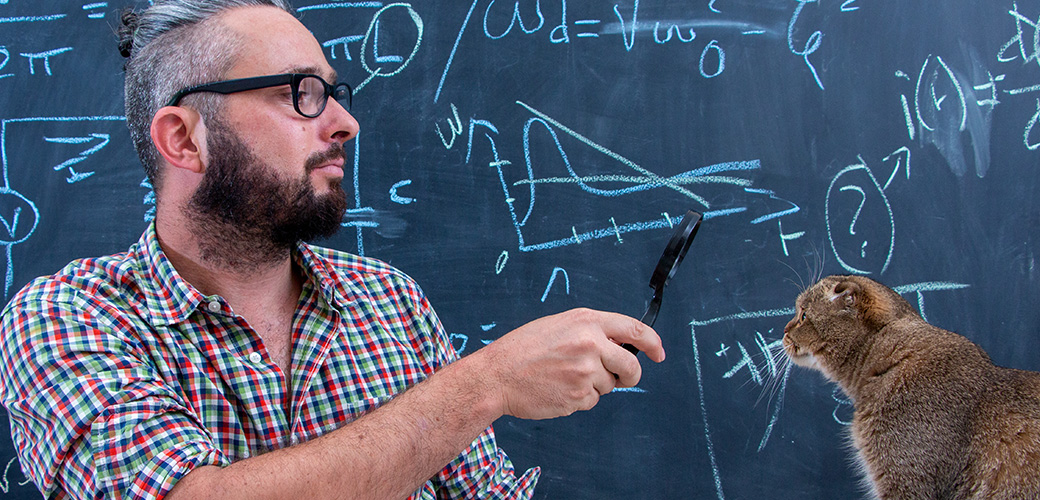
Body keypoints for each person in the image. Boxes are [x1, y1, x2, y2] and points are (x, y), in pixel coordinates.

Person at [0, 0, 665, 498]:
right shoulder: (64, 320)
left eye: (334, 92)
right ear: (184, 139)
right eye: (302, 94)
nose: (345, 122)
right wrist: (486, 384)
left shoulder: (389, 301)